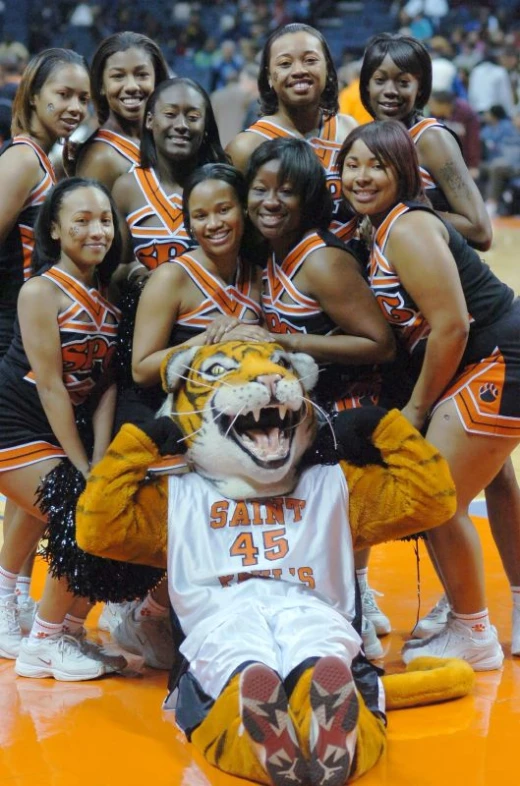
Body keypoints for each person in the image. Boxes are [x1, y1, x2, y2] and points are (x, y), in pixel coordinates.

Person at [339, 119, 520, 667]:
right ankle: (471, 621)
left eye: (378, 165)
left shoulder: (407, 227)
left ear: (405, 174)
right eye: (352, 164)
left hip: (499, 358)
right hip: (487, 362)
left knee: (436, 495)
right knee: (445, 495)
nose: (362, 176)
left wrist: (417, 408)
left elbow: (453, 326)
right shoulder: (379, 228)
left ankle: (472, 631)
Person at [245, 137, 396, 659]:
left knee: (331, 528)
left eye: (286, 191)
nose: (270, 201)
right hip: (308, 409)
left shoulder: (321, 261)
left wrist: (289, 342)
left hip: (348, 410)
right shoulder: (270, 250)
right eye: (260, 189)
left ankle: (353, 619)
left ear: (308, 197)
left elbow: (380, 342)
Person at [0, 178, 124, 679]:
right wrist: (80, 465)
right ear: (54, 227)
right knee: (80, 509)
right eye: (82, 219)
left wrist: (97, 456)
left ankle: (55, 626)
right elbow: (50, 385)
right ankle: (43, 645)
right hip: (12, 423)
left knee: (50, 508)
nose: (96, 230)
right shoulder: (39, 290)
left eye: (105, 220)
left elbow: (104, 386)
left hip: (55, 426)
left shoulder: (111, 293)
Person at [0, 47, 91, 641]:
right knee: (38, 481)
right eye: (62, 95)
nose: (73, 106)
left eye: (82, 98)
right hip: (10, 331)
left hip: (26, 328)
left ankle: (9, 596)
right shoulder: (23, 159)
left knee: (28, 488)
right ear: (32, 95)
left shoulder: (49, 162)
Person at [359, 32, 492, 251]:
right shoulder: (367, 138)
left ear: (419, 87)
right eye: (380, 80)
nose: (390, 91)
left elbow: (480, 230)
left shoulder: (431, 139)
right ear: (366, 86)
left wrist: (395, 215)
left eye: (403, 82)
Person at [227, 23, 358, 241]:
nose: (299, 71)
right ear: (269, 77)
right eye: (285, 63)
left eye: (310, 60)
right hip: (282, 271)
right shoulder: (245, 147)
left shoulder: (350, 130)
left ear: (327, 68)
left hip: (355, 268)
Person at [74, 31, 169, 190]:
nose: (131, 86)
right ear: (101, 86)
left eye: (142, 75)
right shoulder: (100, 157)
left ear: (156, 80)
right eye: (118, 76)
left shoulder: (164, 140)